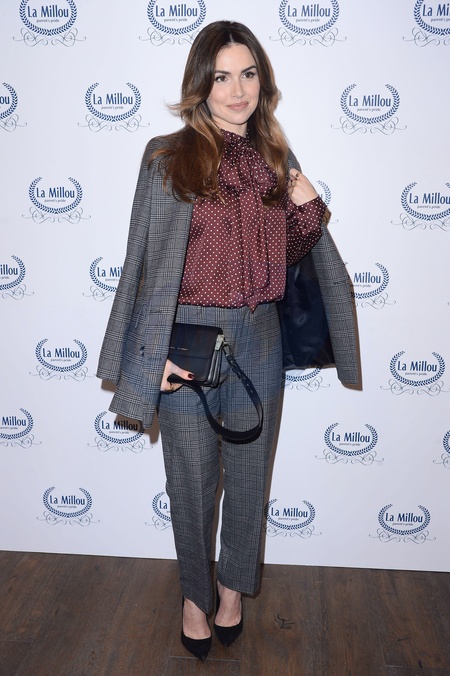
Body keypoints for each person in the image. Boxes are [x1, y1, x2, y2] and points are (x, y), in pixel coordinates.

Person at [97, 20, 358, 661]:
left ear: (262, 81)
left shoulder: (276, 158)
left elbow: (286, 258)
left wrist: (309, 212)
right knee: (188, 482)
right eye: (222, 77)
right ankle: (195, 595)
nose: (237, 90)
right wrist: (148, 354)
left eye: (248, 74)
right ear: (201, 84)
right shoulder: (167, 156)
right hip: (188, 337)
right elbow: (142, 262)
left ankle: (232, 589)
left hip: (259, 337)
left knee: (248, 480)